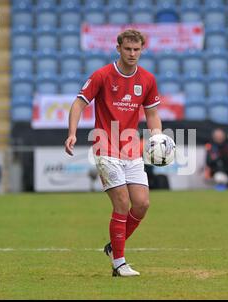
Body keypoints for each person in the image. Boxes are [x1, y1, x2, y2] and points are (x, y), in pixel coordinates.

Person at [64, 30, 163, 277]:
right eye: (127, 49)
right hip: (105, 145)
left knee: (141, 204)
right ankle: (119, 263)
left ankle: (113, 247)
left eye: (136, 49)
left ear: (142, 49)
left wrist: (158, 136)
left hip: (131, 148)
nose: (132, 54)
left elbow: (152, 114)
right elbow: (78, 103)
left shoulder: (148, 79)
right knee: (121, 202)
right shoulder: (103, 75)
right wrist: (72, 133)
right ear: (118, 48)